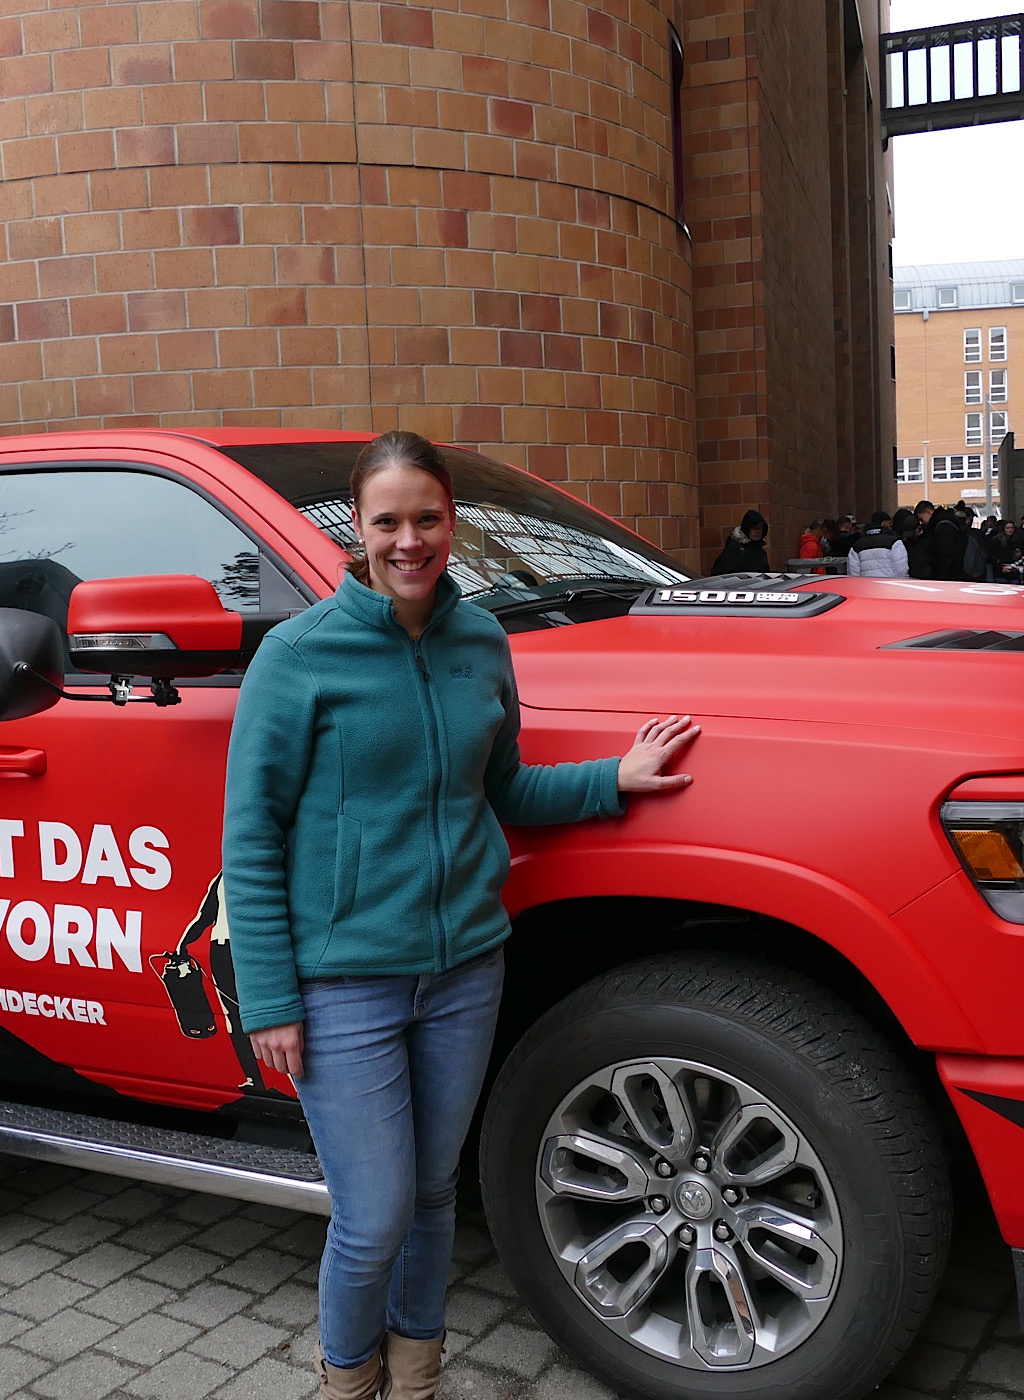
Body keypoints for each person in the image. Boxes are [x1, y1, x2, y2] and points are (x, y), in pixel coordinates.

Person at [221, 431, 699, 1400]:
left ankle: (418, 1372)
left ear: (454, 522)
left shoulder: (480, 640)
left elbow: (506, 786)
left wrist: (613, 776)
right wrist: (269, 997)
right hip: (342, 981)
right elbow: (251, 836)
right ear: (356, 529)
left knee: (435, 1194)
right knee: (374, 1213)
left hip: (463, 971)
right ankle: (346, 1380)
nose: (409, 540)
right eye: (387, 521)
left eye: (427, 518)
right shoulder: (298, 655)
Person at [847, 510, 909, 577]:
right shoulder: (895, 543)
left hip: (866, 586)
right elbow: (901, 570)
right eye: (889, 523)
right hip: (889, 586)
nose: (891, 526)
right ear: (884, 523)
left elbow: (853, 574)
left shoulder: (857, 546)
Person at [710, 508, 770, 574]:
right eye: (754, 528)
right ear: (747, 528)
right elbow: (723, 574)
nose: (758, 531)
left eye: (760, 528)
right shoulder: (735, 549)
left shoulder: (761, 551)